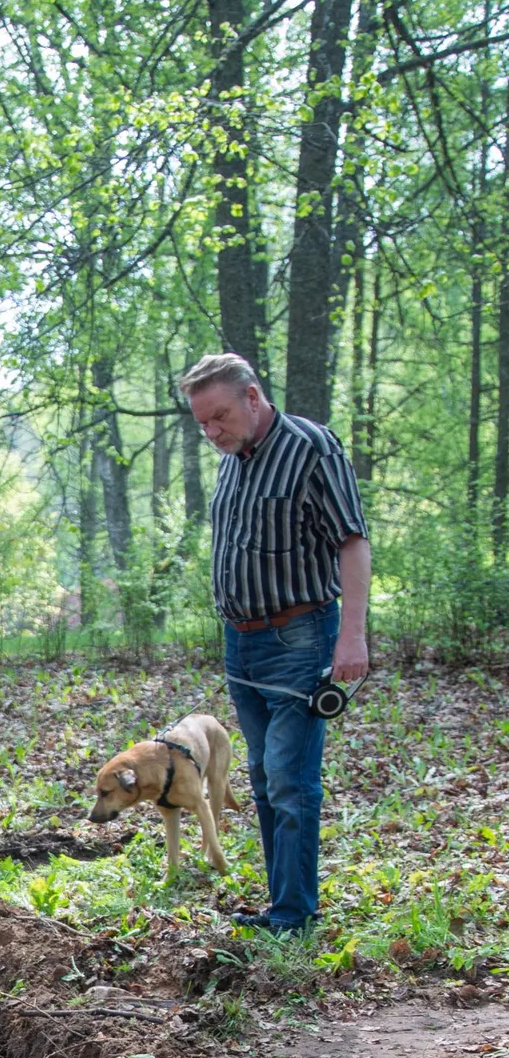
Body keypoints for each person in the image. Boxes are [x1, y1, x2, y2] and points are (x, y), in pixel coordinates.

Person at [180, 353, 371, 937]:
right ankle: (282, 906)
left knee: (291, 779)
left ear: (253, 397)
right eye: (201, 424)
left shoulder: (312, 448)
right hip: (241, 644)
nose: (212, 432)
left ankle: (294, 916)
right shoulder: (232, 460)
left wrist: (353, 634)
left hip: (301, 637)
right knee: (263, 778)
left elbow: (352, 542)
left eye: (219, 417)